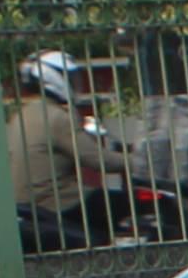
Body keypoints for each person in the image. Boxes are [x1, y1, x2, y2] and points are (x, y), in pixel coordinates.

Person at [6, 51, 115, 251]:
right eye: (70, 77)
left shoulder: (21, 115)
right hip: (57, 200)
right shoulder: (57, 117)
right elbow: (98, 160)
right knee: (122, 204)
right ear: (54, 78)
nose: (76, 84)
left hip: (26, 201)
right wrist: (139, 161)